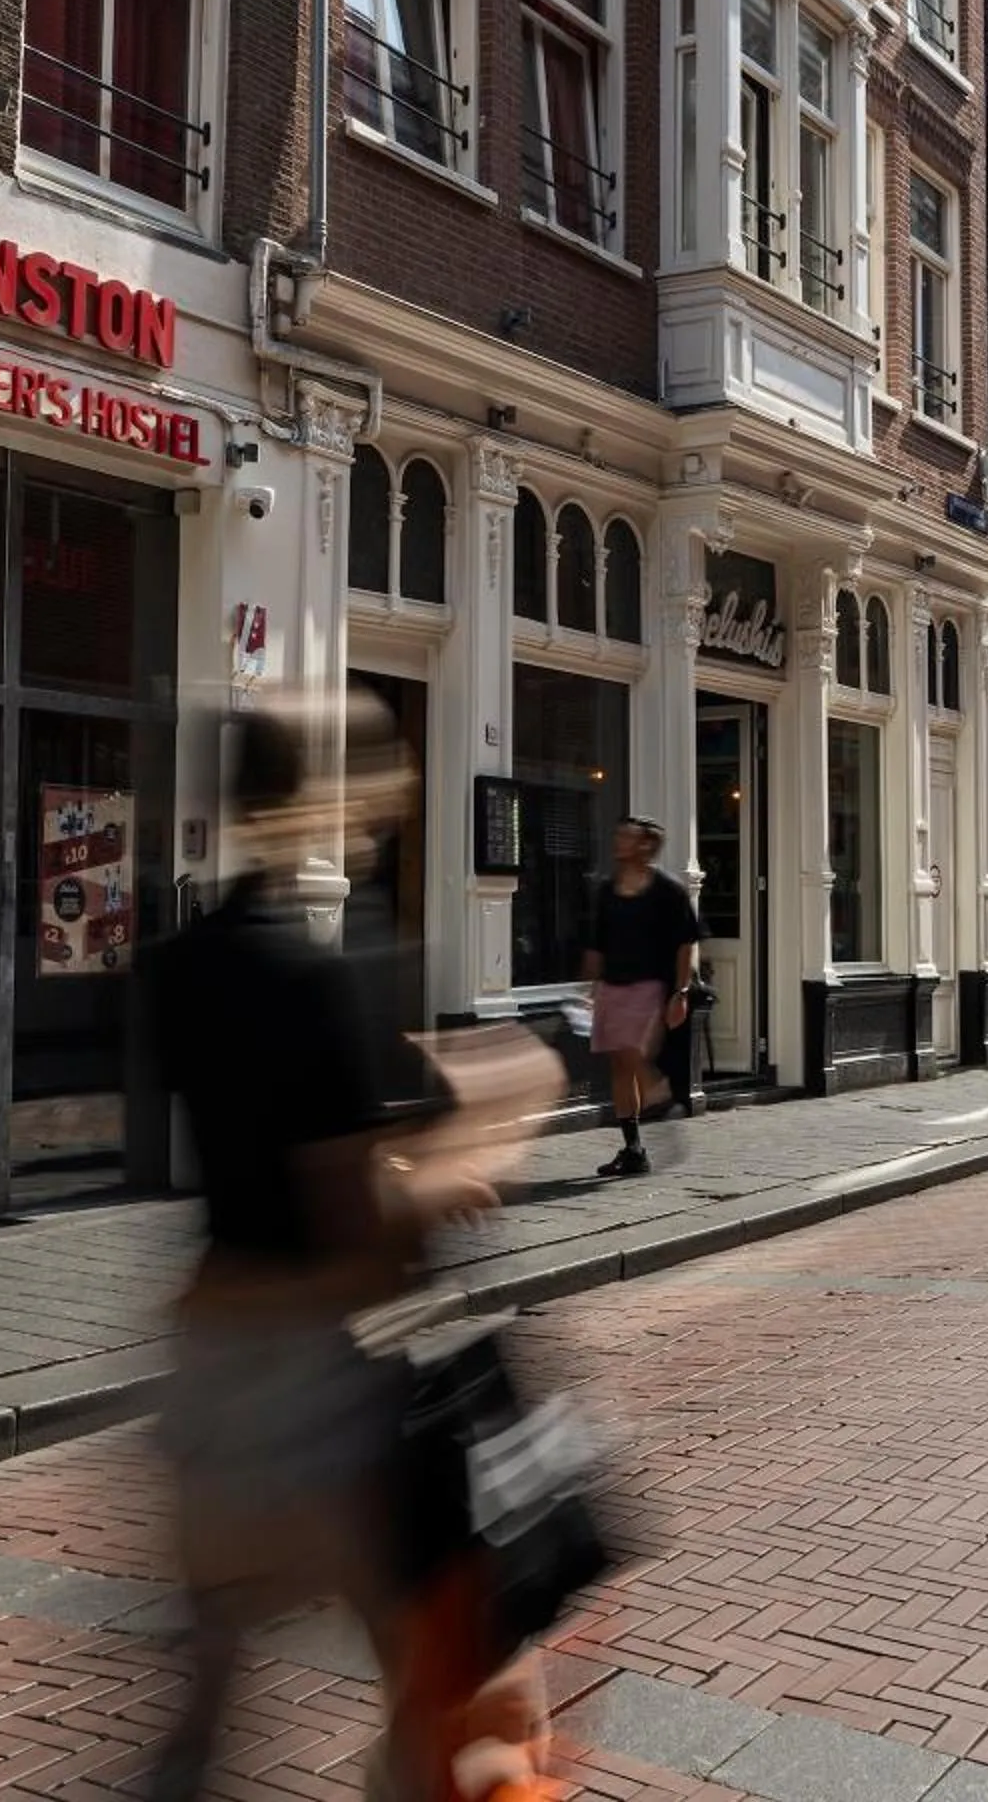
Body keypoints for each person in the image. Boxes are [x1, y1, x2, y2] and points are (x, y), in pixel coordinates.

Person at [144, 693, 567, 1802]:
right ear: (323, 792)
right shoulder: (316, 975)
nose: (400, 789)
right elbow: (350, 1234)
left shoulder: (179, 966)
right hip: (323, 1392)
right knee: (454, 1702)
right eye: (380, 768)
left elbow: (254, 1156)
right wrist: (473, 1155)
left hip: (212, 1363)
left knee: (201, 1713)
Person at [582, 817, 703, 1179]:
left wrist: (681, 992)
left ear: (646, 846)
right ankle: (634, 1149)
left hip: (649, 986)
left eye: (627, 837)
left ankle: (658, 1092)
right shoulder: (609, 890)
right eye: (619, 835)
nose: (618, 841)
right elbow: (597, 942)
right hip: (612, 986)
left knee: (630, 1052)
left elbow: (686, 944)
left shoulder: (668, 892)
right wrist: (590, 986)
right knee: (620, 1065)